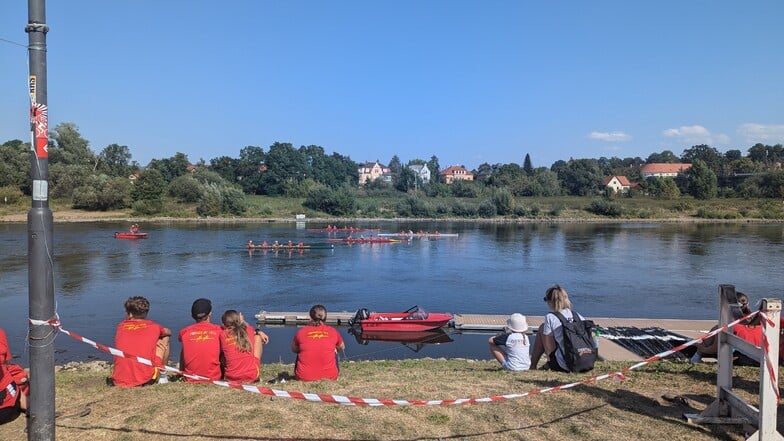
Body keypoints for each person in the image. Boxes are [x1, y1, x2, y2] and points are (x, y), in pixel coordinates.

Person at [112, 296, 171, 387]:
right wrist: (157, 339)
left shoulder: (120, 326)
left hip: (118, 380)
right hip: (145, 380)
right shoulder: (154, 326)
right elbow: (168, 332)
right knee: (165, 337)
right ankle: (163, 375)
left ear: (130, 314)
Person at [530, 284, 586, 372]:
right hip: (584, 362)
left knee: (542, 328)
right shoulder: (578, 316)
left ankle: (533, 366)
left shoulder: (550, 317)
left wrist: (550, 359)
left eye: (545, 299)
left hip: (564, 365)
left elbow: (549, 349)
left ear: (549, 301)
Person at [690, 292, 750, 363]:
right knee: (716, 329)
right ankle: (698, 354)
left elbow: (715, 349)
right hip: (758, 353)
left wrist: (700, 348)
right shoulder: (755, 319)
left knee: (716, 330)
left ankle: (697, 356)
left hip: (742, 355)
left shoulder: (729, 324)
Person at [291, 304, 345, 381]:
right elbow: (342, 347)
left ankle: (305, 371)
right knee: (334, 350)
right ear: (325, 318)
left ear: (310, 318)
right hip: (330, 376)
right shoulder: (332, 331)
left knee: (299, 349)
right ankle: (329, 370)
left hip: (303, 377)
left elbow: (294, 349)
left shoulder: (301, 332)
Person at [179, 298, 223, 383]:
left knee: (185, 346)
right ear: (210, 314)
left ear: (192, 316)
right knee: (224, 346)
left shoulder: (184, 332)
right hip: (214, 378)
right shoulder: (219, 331)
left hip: (190, 378)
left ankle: (182, 372)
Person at [219, 310, 268, 383]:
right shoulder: (248, 330)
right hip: (252, 376)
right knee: (257, 337)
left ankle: (225, 372)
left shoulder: (222, 335)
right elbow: (248, 327)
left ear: (223, 324)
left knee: (222, 353)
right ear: (239, 320)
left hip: (232, 378)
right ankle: (253, 366)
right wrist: (243, 321)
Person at [0, 327, 27, 424]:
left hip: (8, 406)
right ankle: (32, 409)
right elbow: (6, 364)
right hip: (10, 408)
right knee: (13, 374)